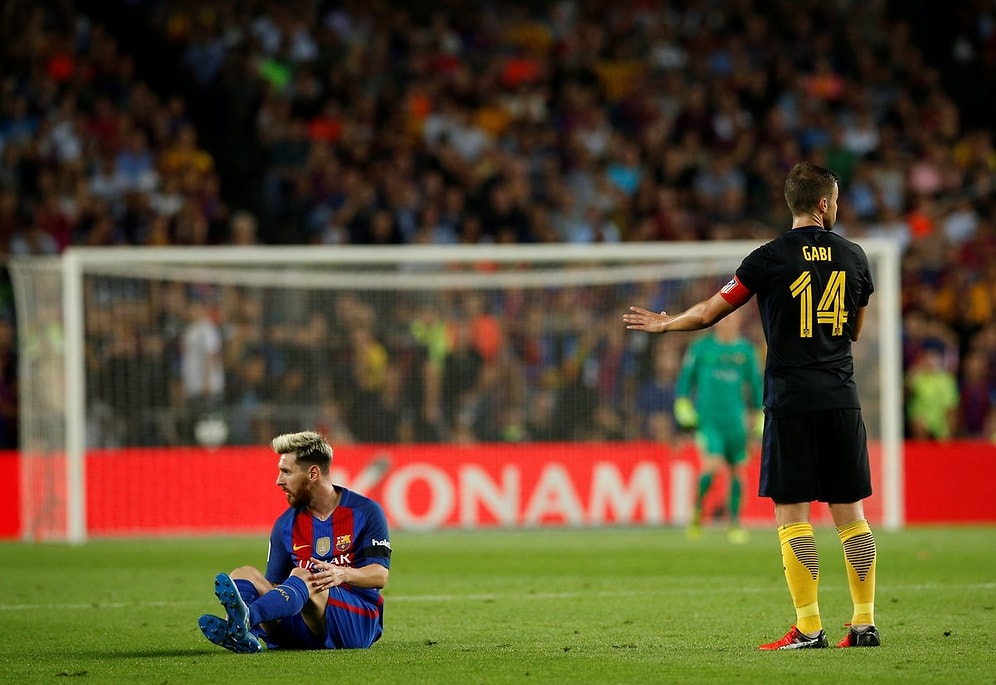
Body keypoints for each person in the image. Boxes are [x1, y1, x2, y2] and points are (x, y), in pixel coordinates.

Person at [623, 162, 879, 650]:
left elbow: (710, 312)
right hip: (842, 398)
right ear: (825, 203)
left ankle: (808, 626)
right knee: (851, 515)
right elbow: (855, 330)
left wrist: (666, 324)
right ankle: (864, 623)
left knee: (794, 515)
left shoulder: (767, 258)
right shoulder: (855, 256)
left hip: (791, 400)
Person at [198, 431, 391, 653]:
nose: (278, 480)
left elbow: (380, 575)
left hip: (356, 621)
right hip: (304, 627)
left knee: (303, 574)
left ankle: (246, 620)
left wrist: (342, 573)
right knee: (244, 574)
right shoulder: (285, 525)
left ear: (313, 474)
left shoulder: (366, 511)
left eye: (286, 472)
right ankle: (243, 631)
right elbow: (275, 587)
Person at [674, 310, 763, 543]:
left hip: (735, 422)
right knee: (712, 467)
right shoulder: (701, 348)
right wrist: (683, 404)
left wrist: (760, 416)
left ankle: (734, 523)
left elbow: (755, 387)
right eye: (724, 317)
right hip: (709, 421)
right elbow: (685, 379)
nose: (728, 322)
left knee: (737, 471)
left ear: (739, 321)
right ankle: (697, 512)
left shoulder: (745, 351)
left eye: (733, 318)